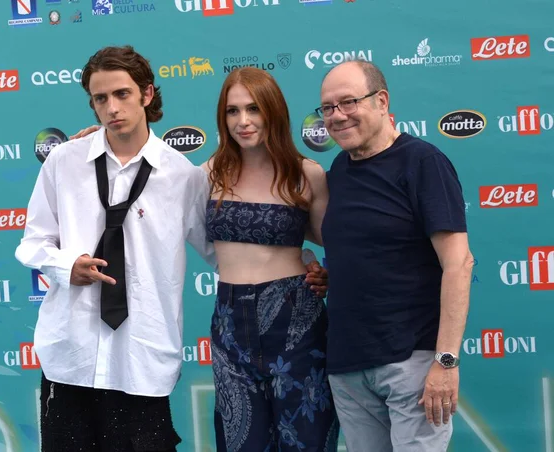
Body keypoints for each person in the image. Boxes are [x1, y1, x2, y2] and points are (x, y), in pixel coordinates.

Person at [29, 46, 328, 451]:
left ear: (147, 94)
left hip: (142, 357)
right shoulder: (64, 162)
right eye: (101, 98)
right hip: (70, 354)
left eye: (122, 94)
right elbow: (34, 241)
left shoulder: (184, 176)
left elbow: (222, 246)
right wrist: (66, 266)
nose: (112, 107)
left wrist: (306, 265)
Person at [318, 60, 474, 452]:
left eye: (348, 102)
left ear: (381, 100)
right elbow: (371, 250)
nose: (337, 116)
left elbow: (459, 263)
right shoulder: (338, 169)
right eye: (328, 108)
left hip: (412, 365)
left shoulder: (422, 162)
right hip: (349, 366)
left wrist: (446, 361)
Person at [203, 67, 339, 451]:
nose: (243, 121)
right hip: (230, 323)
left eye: (254, 109)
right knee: (240, 441)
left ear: (274, 112)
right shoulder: (208, 174)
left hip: (297, 319)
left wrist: (326, 271)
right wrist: (92, 140)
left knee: (307, 441)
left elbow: (339, 244)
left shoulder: (307, 174)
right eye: (232, 111)